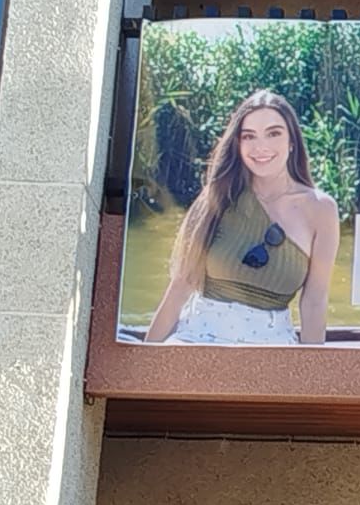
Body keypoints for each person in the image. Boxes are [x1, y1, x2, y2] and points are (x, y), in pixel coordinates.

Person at [145, 90, 340, 345]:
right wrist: (143, 362)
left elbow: (315, 299)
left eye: (274, 133)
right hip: (197, 341)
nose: (261, 147)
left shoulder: (321, 209)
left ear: (292, 141)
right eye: (249, 136)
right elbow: (181, 285)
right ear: (238, 145)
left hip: (273, 349)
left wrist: (311, 378)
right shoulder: (216, 197)